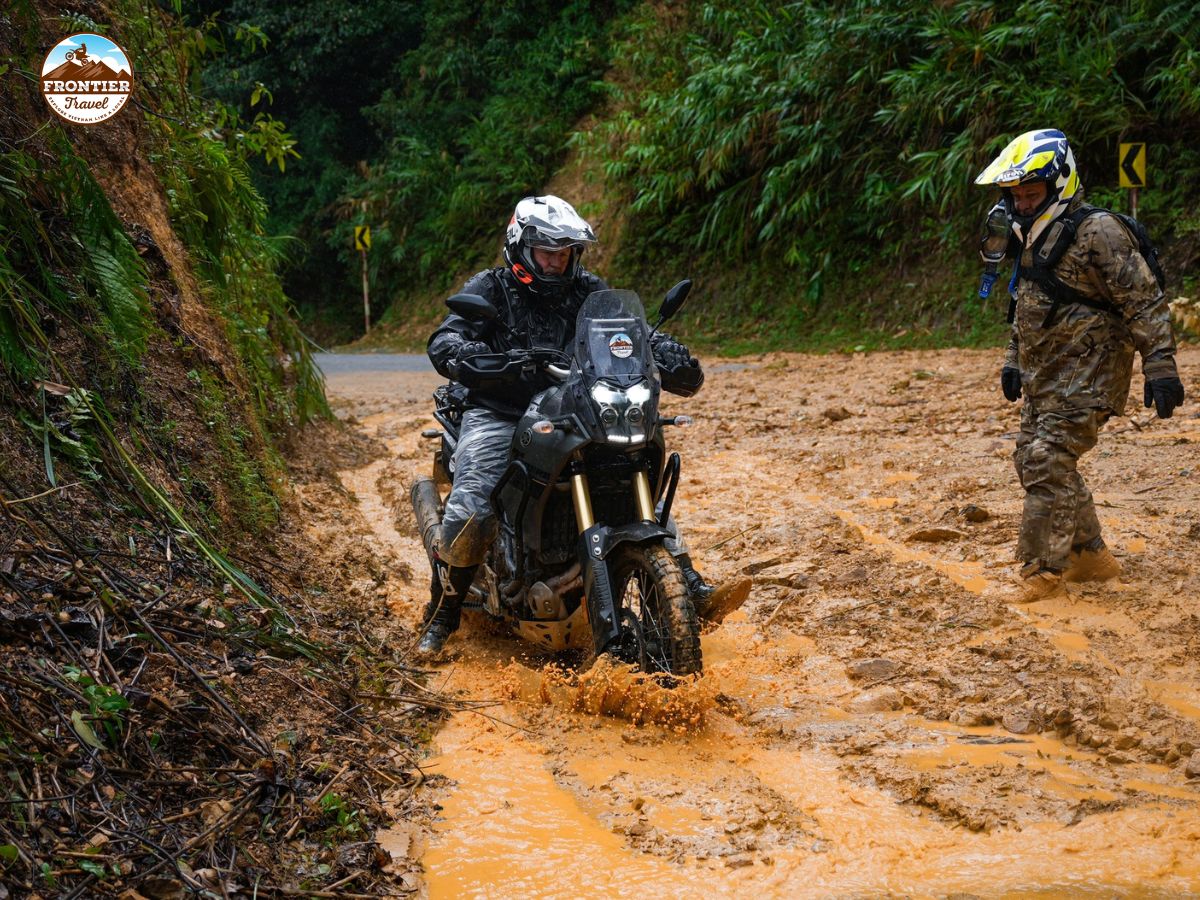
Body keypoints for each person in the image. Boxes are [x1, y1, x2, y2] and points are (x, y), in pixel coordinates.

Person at [418, 195, 750, 653]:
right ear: (521, 248)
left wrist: (663, 349)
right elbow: (447, 337)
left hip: (572, 408)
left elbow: (625, 331)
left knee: (630, 471)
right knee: (476, 497)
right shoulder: (492, 288)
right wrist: (473, 354)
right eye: (547, 253)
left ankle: (684, 583)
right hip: (502, 410)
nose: (556, 263)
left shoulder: (588, 290)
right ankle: (443, 614)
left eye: (565, 253)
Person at [975, 129, 1185, 602]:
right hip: (1044, 374)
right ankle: (1089, 554)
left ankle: (1041, 573)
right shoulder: (1029, 232)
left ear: (1059, 184)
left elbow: (1144, 300)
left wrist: (1161, 366)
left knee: (1046, 460)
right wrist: (1014, 360)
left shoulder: (1099, 232)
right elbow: (1027, 301)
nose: (1024, 202)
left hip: (1091, 372)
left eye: (1032, 192)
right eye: (1017, 194)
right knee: (1033, 458)